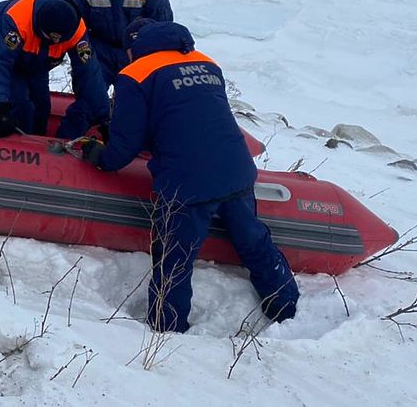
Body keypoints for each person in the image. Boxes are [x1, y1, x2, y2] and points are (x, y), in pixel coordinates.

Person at [81, 19, 298, 333]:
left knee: (174, 257)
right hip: (236, 169)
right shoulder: (206, 63)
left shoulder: (134, 75)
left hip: (186, 181)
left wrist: (101, 157)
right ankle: (285, 305)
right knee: (254, 241)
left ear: (132, 48)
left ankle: (166, 328)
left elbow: (126, 143)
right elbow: (192, 113)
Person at [0, 0, 109, 139]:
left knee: (42, 107)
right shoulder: (17, 21)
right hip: (2, 43)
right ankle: (19, 148)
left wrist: (104, 118)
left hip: (38, 63)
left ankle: (39, 145)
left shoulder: (76, 32)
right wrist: (0, 109)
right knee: (21, 105)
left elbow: (90, 73)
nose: (55, 42)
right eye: (50, 37)